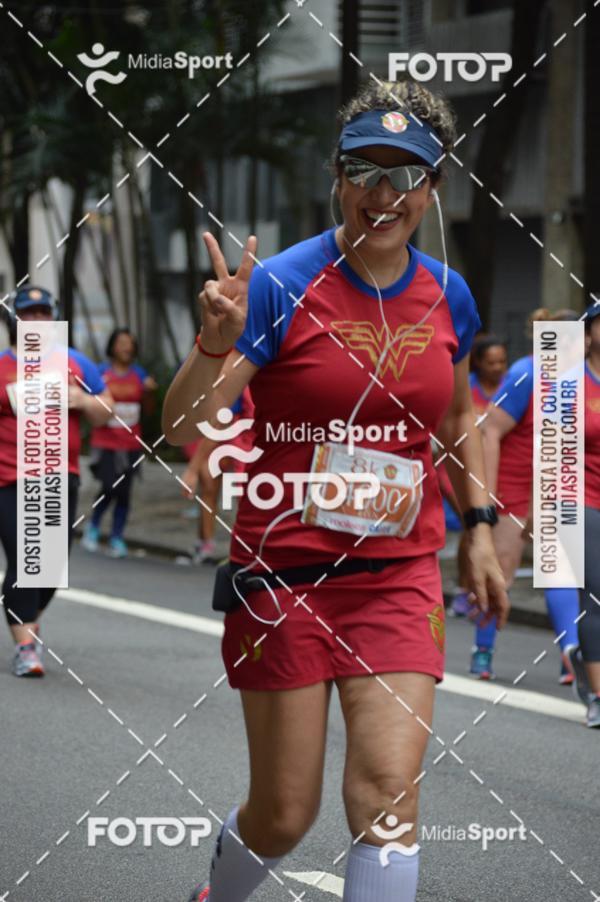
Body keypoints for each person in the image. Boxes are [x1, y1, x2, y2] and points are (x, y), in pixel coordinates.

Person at [163, 79, 508, 902]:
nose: (383, 195)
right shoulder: (278, 285)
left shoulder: (447, 295)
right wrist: (212, 348)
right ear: (338, 178)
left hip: (397, 574)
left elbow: (457, 416)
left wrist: (481, 526)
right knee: (284, 814)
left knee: (388, 793)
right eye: (365, 171)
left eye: (406, 176)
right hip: (284, 575)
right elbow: (185, 427)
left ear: (434, 187)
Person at [0, 285, 112, 676]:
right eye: (27, 314)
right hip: (10, 478)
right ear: (16, 320)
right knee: (24, 559)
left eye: (42, 313)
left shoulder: (75, 363)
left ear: (52, 318)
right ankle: (26, 648)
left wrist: (80, 400)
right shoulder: (1, 365)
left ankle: (29, 617)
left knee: (50, 567)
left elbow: (106, 411)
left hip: (61, 476)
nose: (34, 320)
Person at [475, 310, 581, 681]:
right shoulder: (526, 373)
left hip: (561, 482)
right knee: (501, 569)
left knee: (563, 569)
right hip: (515, 482)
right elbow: (489, 431)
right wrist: (486, 494)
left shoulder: (584, 376)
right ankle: (483, 649)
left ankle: (572, 658)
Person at [81, 328, 157, 558]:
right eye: (122, 343)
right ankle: (92, 527)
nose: (126, 347)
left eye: (130, 343)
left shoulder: (139, 374)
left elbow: (149, 410)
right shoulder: (101, 373)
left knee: (124, 492)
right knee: (109, 486)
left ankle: (117, 536)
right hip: (105, 442)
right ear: (113, 346)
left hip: (130, 443)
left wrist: (149, 393)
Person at [449, 334, 507, 618]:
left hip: (491, 469)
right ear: (478, 364)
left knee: (480, 527)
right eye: (491, 362)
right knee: (468, 519)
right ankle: (463, 587)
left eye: (502, 362)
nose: (497, 367)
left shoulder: (511, 387)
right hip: (455, 465)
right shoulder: (466, 388)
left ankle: (477, 583)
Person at [569, 302, 600, 727]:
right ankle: (597, 694)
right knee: (594, 595)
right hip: (583, 501)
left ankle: (581, 658)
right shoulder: (571, 383)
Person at [181, 387, 254, 564]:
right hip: (226, 437)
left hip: (244, 437)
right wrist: (193, 467)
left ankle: (246, 552)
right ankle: (206, 542)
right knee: (208, 483)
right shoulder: (235, 373)